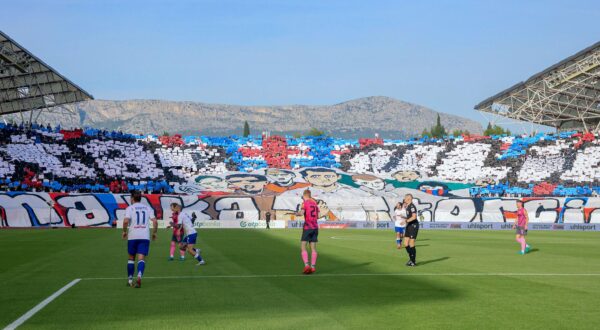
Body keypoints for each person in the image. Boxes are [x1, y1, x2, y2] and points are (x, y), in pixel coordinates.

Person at [122, 191, 157, 288]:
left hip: (133, 236)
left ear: (132, 198)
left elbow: (125, 222)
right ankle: (139, 276)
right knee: (141, 259)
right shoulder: (147, 208)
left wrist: (124, 231)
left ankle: (129, 280)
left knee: (131, 258)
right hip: (144, 236)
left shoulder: (130, 208)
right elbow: (155, 221)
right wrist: (154, 233)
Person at [296, 189, 320, 274]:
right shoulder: (315, 204)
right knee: (313, 248)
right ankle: (313, 267)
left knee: (303, 246)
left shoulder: (304, 203)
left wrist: (297, 213)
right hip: (315, 227)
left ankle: (306, 265)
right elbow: (318, 216)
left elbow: (302, 213)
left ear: (304, 195)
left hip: (307, 227)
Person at [402, 194, 419, 267]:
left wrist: (406, 220)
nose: (404, 199)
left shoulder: (412, 206)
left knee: (411, 243)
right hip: (409, 225)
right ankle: (411, 259)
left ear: (408, 199)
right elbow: (409, 216)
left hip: (413, 225)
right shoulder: (408, 206)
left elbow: (414, 217)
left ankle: (413, 261)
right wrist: (405, 218)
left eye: (405, 198)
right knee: (405, 243)